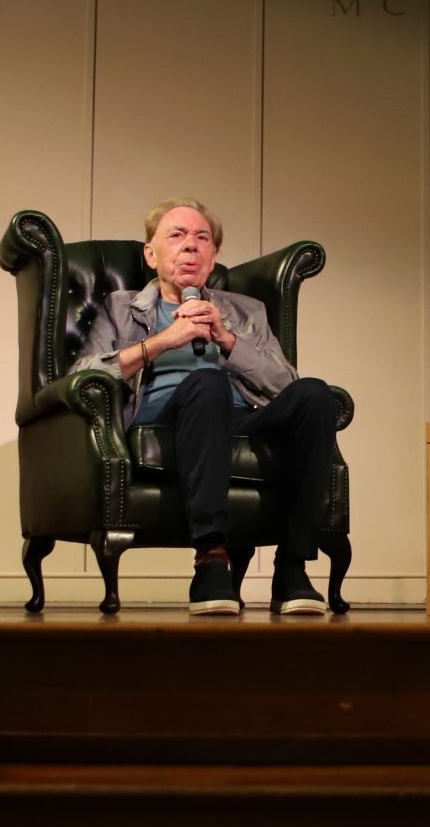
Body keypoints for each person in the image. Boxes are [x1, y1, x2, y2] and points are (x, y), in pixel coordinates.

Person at [70, 197, 342, 617]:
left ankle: (292, 566)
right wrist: (164, 341)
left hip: (240, 416)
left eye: (202, 238)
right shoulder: (121, 308)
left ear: (213, 255)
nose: (191, 246)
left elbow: (284, 383)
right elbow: (82, 373)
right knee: (207, 383)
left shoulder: (245, 310)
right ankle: (211, 560)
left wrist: (227, 339)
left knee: (316, 394)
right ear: (151, 253)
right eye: (176, 236)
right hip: (165, 415)